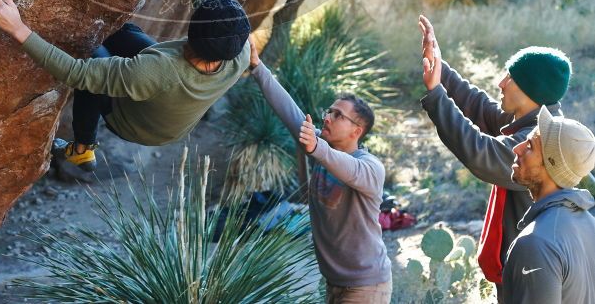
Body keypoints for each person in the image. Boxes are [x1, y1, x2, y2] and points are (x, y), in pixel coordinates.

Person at [0, 0, 250, 170]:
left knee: (94, 56)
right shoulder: (239, 51)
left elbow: (77, 74)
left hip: (138, 124)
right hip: (167, 107)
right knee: (123, 32)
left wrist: (17, 28)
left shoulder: (156, 71)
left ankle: (82, 148)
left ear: (193, 30)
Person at [419, 15, 572, 297]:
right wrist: (439, 66)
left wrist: (436, 94)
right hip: (522, 269)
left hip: (532, 275)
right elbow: (481, 108)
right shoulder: (532, 122)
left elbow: (480, 152)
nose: (501, 83)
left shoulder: (538, 142)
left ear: (530, 90)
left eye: (510, 77)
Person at [248, 39, 392, 304]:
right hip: (333, 282)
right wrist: (258, 68)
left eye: (338, 115)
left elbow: (348, 168)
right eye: (330, 111)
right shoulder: (320, 146)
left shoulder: (370, 168)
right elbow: (290, 113)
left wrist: (316, 148)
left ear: (356, 131)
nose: (327, 117)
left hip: (366, 286)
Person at [504, 106, 595, 304]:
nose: (516, 148)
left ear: (552, 165)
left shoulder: (535, 244)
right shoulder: (590, 225)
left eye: (530, 146)